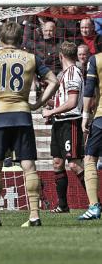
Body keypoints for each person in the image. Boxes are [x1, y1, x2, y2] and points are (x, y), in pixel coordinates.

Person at [0, 21, 58, 227]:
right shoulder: (31, 57)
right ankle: (34, 216)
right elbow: (54, 81)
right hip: (22, 116)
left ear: (1, 37)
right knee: (28, 166)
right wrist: (38, 103)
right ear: (20, 38)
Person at [41, 42, 87, 213]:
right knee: (57, 163)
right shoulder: (64, 74)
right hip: (59, 123)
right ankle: (62, 205)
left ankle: (96, 203)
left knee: (74, 165)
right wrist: (47, 103)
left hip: (71, 122)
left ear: (61, 56)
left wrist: (51, 111)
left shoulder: (73, 74)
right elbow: (64, 101)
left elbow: (72, 103)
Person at [77, 44, 102, 220]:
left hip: (101, 118)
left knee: (90, 159)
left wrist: (85, 116)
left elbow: (89, 89)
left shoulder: (96, 60)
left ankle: (94, 206)